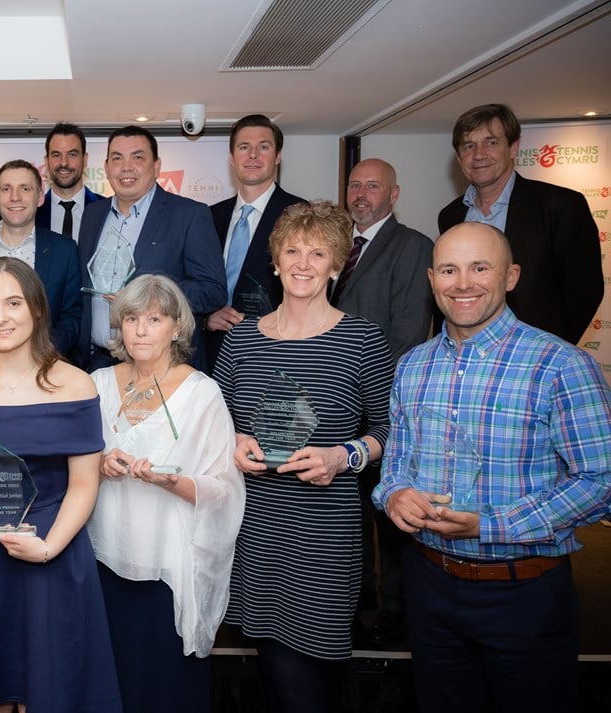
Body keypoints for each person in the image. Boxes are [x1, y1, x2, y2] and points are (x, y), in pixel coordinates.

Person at [373, 221, 611, 713]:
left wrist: (491, 526)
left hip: (524, 593)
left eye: (480, 267)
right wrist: (394, 494)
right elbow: (396, 461)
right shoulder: (413, 365)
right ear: (431, 279)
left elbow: (600, 480)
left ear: (511, 276)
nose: (463, 283)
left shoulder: (561, 365)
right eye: (449, 269)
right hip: (430, 585)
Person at [213, 201, 393, 713]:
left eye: (319, 253)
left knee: (309, 679)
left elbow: (389, 430)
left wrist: (343, 456)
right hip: (257, 529)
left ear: (337, 264)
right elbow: (220, 424)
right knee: (272, 668)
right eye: (292, 250)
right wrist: (235, 442)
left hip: (323, 534)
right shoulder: (242, 340)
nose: (304, 263)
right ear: (274, 261)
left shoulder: (363, 340)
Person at [0, 257, 121, 713]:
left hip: (53, 552)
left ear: (36, 307)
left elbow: (84, 483)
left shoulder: (75, 385)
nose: (1, 318)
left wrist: (49, 548)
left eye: (13, 303)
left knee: (51, 689)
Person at [89, 273, 244, 712]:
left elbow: (225, 488)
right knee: (110, 683)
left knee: (163, 689)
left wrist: (172, 481)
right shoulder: (97, 384)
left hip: (167, 569)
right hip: (104, 561)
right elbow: (72, 466)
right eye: (132, 318)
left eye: (154, 319)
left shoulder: (203, 393)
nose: (140, 329)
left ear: (176, 327)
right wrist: (99, 463)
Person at [334, 157, 435, 646]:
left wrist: (363, 400)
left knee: (389, 513)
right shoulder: (336, 248)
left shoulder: (413, 247)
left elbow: (408, 336)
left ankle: (396, 612)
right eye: (355, 185)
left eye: (372, 186)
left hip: (382, 411)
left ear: (393, 194)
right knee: (349, 516)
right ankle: (357, 602)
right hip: (335, 413)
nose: (361, 194)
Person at [438, 103, 601, 344]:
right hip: (465, 352)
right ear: (459, 157)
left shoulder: (560, 206)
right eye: (469, 146)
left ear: (513, 148)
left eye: (491, 142)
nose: (479, 154)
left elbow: (585, 291)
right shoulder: (450, 215)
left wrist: (549, 350)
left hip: (533, 355)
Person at [78, 125, 226, 373]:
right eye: (117, 158)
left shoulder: (189, 215)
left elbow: (212, 290)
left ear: (156, 167)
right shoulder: (93, 214)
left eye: (137, 157)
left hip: (164, 366)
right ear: (106, 168)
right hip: (98, 364)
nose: (126, 167)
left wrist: (147, 295)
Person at [205, 114, 305, 369]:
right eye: (244, 147)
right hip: (211, 353)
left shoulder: (301, 215)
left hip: (276, 355)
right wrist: (205, 316)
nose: (253, 155)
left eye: (263, 147)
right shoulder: (207, 216)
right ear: (231, 158)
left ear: (278, 156)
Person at [0, 159, 82, 357]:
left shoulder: (65, 250)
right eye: (6, 189)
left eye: (25, 189)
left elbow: (72, 315)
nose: (15, 197)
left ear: (40, 197)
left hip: (45, 365)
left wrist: (44, 353)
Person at [36, 122, 103, 243]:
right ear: (46, 161)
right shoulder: (33, 212)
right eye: (56, 155)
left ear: (85, 159)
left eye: (72, 155)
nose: (63, 163)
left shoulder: (106, 210)